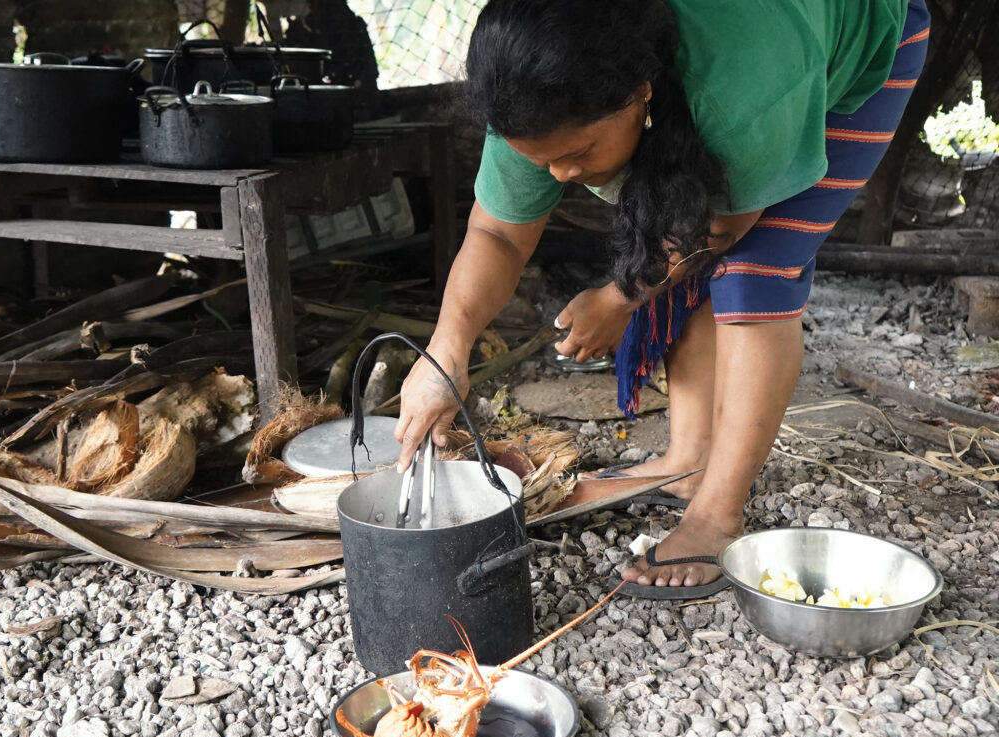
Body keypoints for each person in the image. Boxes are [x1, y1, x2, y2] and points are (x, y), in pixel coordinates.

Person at [394, 0, 931, 597]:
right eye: (539, 160)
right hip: (732, 70)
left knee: (755, 271)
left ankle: (717, 515)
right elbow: (496, 233)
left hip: (851, 43)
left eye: (576, 154)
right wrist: (447, 348)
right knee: (669, 233)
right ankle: (689, 456)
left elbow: (721, 231)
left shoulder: (743, 87)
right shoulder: (533, 83)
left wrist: (620, 297)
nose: (559, 176)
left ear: (640, 93)